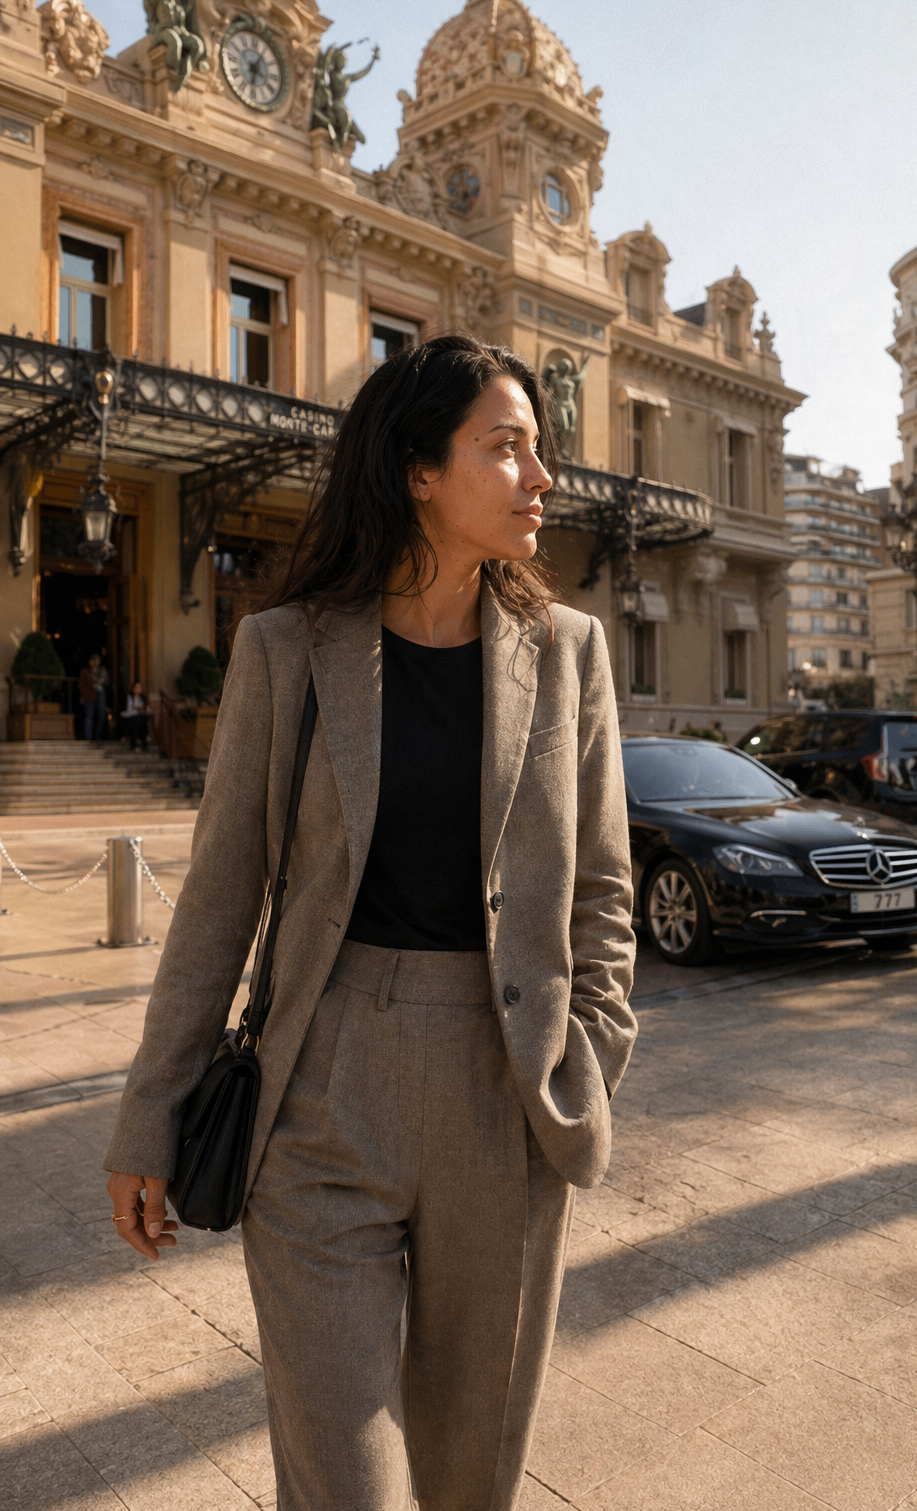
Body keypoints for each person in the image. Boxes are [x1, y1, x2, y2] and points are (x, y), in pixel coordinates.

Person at [103, 335, 637, 1511]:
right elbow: (219, 896)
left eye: (539, 449)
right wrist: (150, 1112)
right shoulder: (285, 649)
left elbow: (603, 893)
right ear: (417, 472)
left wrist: (586, 1058)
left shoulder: (569, 655)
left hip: (507, 1094)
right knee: (350, 1485)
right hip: (320, 1090)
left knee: (467, 1478)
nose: (542, 476)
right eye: (506, 448)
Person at [78, 653, 103, 740]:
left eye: (97, 661)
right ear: (90, 662)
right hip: (89, 696)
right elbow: (81, 685)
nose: (96, 663)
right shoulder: (85, 671)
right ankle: (88, 737)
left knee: (100, 716)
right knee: (89, 717)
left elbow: (106, 683)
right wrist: (83, 696)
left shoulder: (101, 671)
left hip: (100, 696)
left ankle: (98, 736)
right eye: (94, 661)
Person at [121, 681, 151, 750]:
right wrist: (138, 708)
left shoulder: (143, 697)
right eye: (137, 687)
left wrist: (142, 709)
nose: (138, 689)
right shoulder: (130, 697)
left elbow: (146, 708)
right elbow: (130, 708)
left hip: (141, 716)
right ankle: (134, 743)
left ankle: (144, 742)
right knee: (136, 720)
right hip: (131, 715)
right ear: (133, 688)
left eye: (140, 687)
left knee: (143, 721)